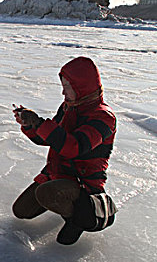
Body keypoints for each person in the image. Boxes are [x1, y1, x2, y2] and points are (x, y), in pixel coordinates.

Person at [12, 57, 116, 245]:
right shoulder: (69, 107)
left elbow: (74, 147)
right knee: (21, 210)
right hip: (58, 173)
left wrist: (40, 123)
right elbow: (49, 138)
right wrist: (30, 125)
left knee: (46, 193)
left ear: (81, 87)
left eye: (67, 86)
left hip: (83, 182)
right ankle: (63, 200)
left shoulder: (103, 116)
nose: (63, 91)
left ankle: (79, 218)